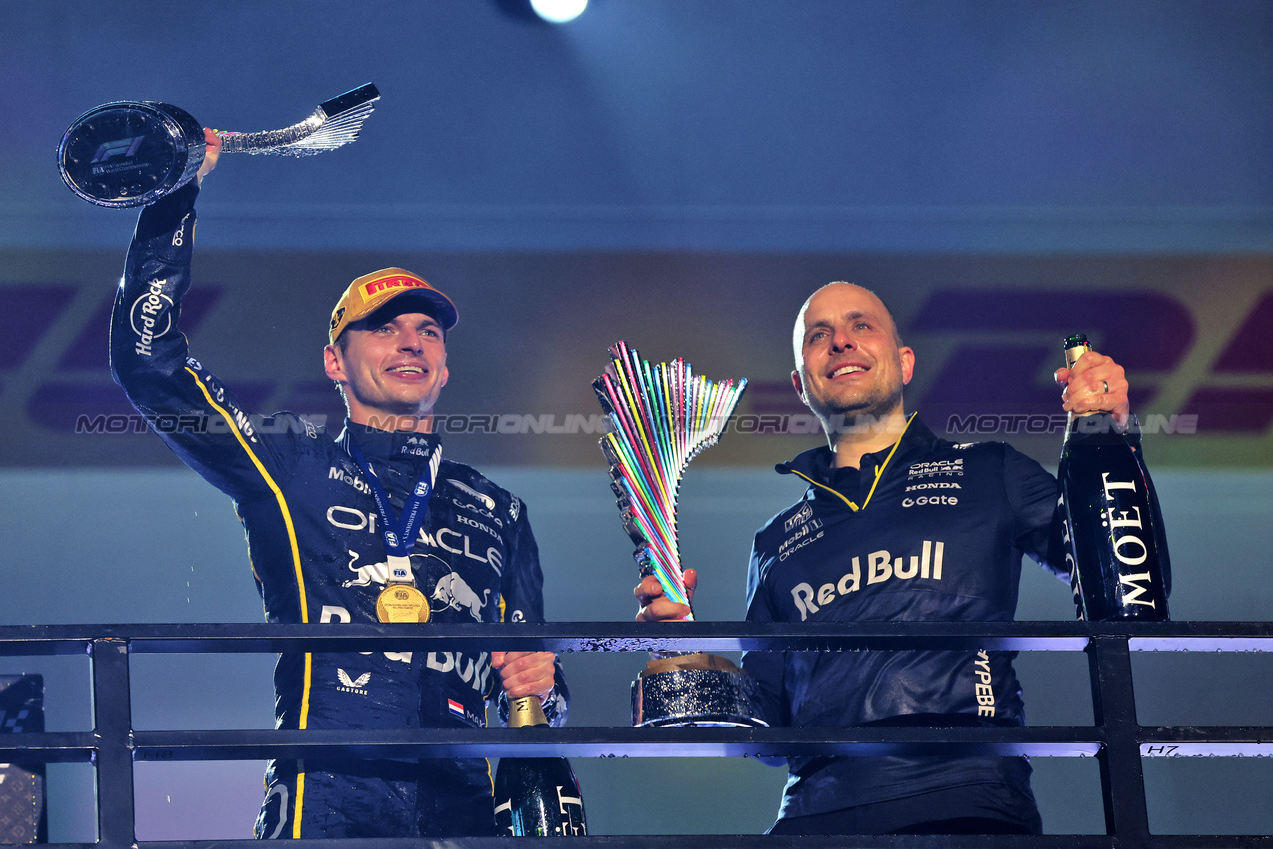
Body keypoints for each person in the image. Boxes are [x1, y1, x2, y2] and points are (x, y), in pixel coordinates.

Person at [111, 130, 568, 839]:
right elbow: (151, 366)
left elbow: (536, 683)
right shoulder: (290, 465)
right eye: (383, 328)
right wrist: (175, 199)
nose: (411, 341)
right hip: (324, 796)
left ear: (444, 368)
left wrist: (543, 686)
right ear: (334, 361)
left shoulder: (498, 510)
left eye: (427, 332)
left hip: (462, 808)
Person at [637, 280, 1154, 835]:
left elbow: (1133, 585)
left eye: (862, 326)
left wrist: (1113, 432)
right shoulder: (774, 543)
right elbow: (768, 728)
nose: (841, 342)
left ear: (905, 362)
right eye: (819, 335)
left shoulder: (989, 471)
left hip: (967, 806)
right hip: (814, 822)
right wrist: (687, 654)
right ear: (799, 383)